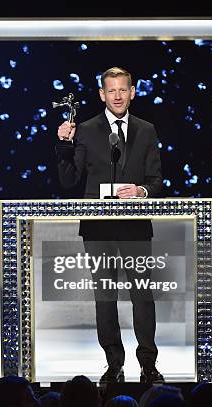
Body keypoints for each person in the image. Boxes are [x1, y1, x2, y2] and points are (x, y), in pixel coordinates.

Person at [57, 67, 164, 384]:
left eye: (123, 90)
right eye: (111, 90)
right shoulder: (86, 129)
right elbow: (68, 181)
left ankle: (148, 363)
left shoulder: (146, 130)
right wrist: (63, 144)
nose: (117, 96)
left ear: (133, 92)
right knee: (105, 296)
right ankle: (114, 363)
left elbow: (156, 180)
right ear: (102, 94)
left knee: (142, 294)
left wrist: (141, 191)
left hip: (135, 227)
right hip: (98, 227)